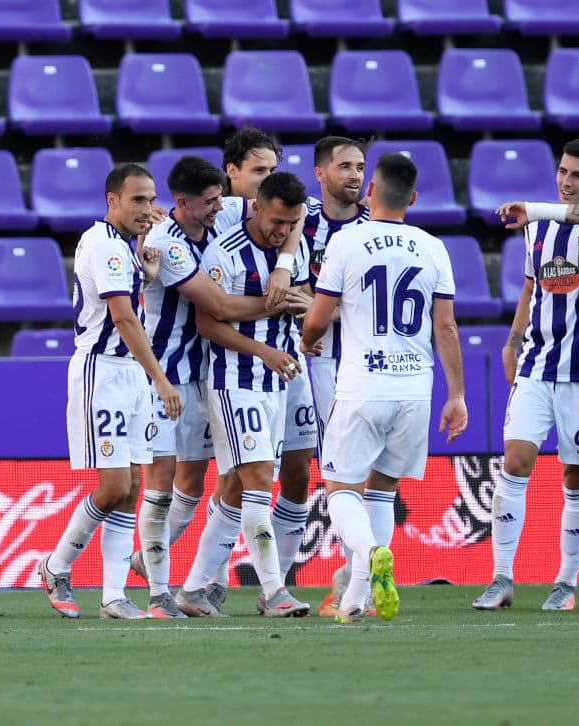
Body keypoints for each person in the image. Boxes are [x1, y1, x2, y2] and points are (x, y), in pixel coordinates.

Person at [300, 152, 468, 623]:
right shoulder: (434, 247)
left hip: (361, 385)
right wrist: (456, 396)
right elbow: (447, 328)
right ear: (413, 198)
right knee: (381, 491)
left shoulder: (348, 242)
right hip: (416, 389)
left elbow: (318, 315)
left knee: (341, 490)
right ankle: (357, 600)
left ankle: (372, 551)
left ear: (370, 191)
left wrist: (308, 341)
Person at [473, 139, 579, 612]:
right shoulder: (538, 228)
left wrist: (541, 208)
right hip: (537, 365)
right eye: (563, 171)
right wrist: (511, 340)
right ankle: (501, 577)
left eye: (578, 175)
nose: (566, 181)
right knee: (514, 462)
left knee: (576, 476)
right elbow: (529, 286)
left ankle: (566, 581)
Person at [131, 155, 292, 618]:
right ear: (181, 203)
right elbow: (216, 306)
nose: (219, 207)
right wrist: (278, 302)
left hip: (203, 376)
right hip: (161, 374)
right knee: (159, 486)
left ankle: (175, 573)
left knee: (205, 483)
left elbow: (292, 214)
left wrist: (282, 267)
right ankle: (159, 590)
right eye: (209, 201)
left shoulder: (216, 218)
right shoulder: (168, 242)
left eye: (220, 198)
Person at [37, 164, 183, 619]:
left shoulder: (121, 246)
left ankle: (113, 596)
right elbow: (122, 317)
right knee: (114, 484)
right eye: (136, 200)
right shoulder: (103, 244)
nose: (146, 208)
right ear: (112, 201)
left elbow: (124, 296)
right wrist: (160, 377)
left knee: (132, 486)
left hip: (128, 375)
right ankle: (55, 565)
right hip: (102, 373)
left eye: (151, 199)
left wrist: (147, 267)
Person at [174, 172, 309, 618]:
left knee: (233, 487)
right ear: (256, 208)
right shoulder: (224, 253)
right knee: (258, 482)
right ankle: (275, 592)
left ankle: (193, 589)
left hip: (277, 384)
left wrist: (303, 303)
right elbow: (208, 323)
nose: (282, 231)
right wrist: (264, 350)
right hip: (236, 380)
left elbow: (306, 297)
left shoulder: (295, 247)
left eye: (290, 224)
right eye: (276, 222)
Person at [267, 135, 371, 618]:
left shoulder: (376, 228)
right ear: (321, 174)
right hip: (280, 358)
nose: (355, 175)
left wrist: (322, 308)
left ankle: (353, 583)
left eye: (361, 166)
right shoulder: (296, 216)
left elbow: (371, 308)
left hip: (342, 365)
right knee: (272, 473)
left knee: (350, 475)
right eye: (345, 166)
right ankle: (260, 584)